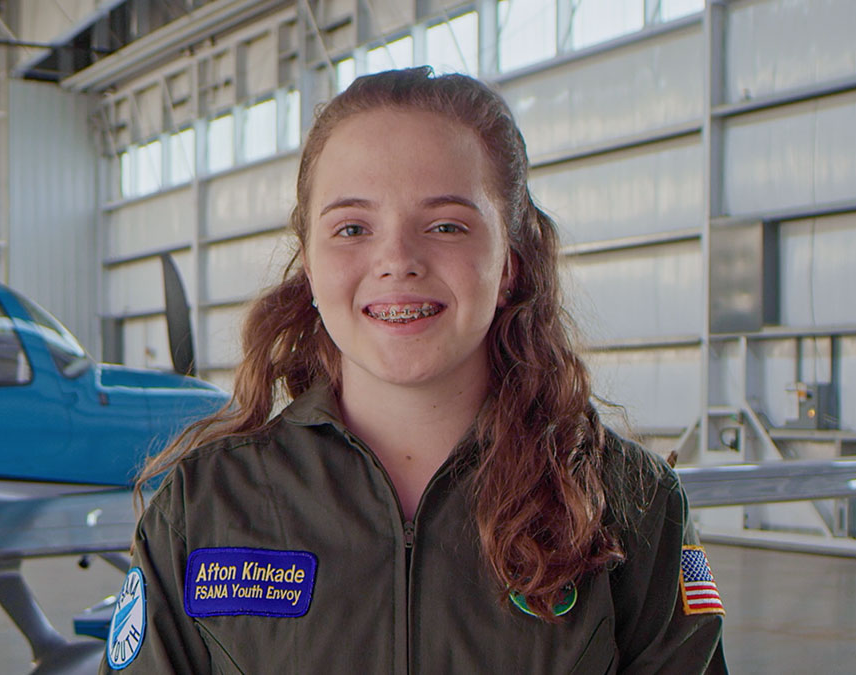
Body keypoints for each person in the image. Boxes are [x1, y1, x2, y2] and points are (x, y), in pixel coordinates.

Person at [102, 67, 727, 674]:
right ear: (311, 267)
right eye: (352, 228)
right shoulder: (203, 506)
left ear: (509, 263)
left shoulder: (629, 505)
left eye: (446, 225)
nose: (397, 259)